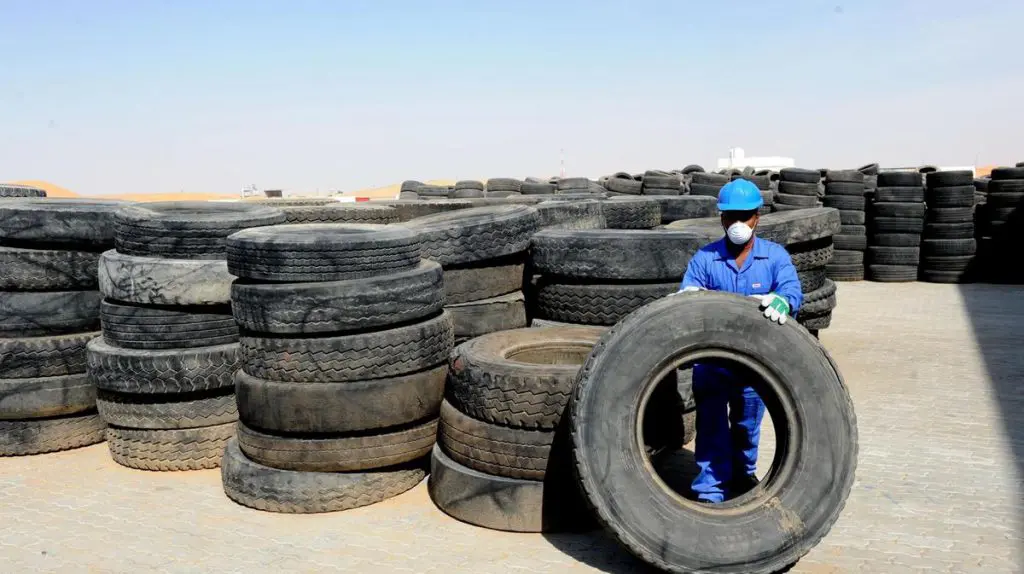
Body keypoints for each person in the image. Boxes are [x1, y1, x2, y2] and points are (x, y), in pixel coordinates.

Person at [677, 178, 803, 504]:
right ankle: (710, 490)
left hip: (755, 364)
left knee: (747, 426)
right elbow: (686, 295)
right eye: (730, 216)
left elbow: (791, 289)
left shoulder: (774, 257)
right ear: (721, 218)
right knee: (712, 428)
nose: (738, 224)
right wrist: (687, 299)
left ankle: (742, 474)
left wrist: (783, 301)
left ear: (757, 217)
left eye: (744, 216)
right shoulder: (705, 259)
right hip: (714, 366)